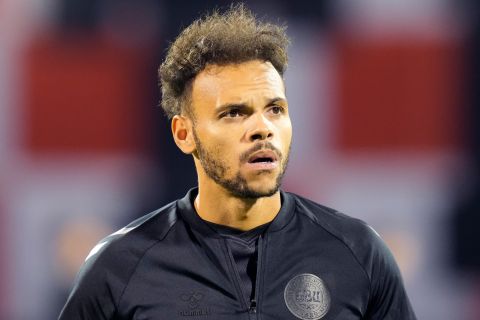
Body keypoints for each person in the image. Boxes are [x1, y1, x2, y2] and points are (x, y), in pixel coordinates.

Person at [59, 5, 416, 320]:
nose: (262, 129)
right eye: (233, 113)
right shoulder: (120, 267)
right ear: (184, 134)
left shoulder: (358, 254)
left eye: (275, 109)